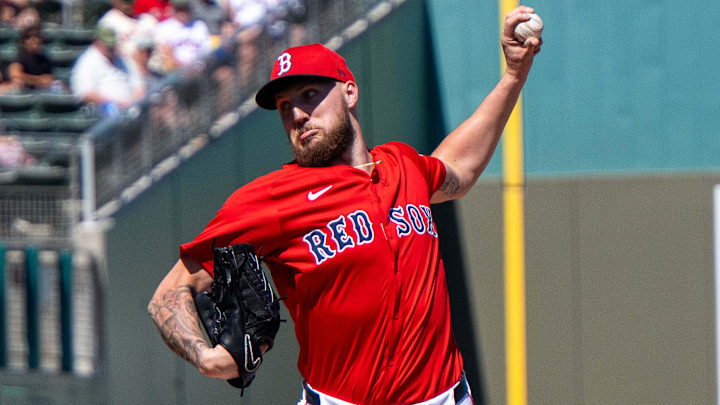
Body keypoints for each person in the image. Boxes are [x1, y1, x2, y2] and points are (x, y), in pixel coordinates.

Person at [148, 5, 541, 405]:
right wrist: (205, 357)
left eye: (310, 94)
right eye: (285, 106)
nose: (298, 114)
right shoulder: (272, 198)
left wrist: (513, 75)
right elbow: (169, 291)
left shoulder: (401, 165)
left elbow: (458, 168)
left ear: (349, 91)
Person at [70, 27, 145, 116]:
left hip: (131, 111)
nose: (111, 48)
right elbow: (84, 93)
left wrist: (133, 102)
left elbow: (139, 84)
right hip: (103, 114)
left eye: (112, 45)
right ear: (96, 42)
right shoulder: (87, 61)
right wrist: (117, 102)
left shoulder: (122, 58)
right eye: (108, 45)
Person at [8, 25, 54, 90]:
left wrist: (28, 78)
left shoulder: (44, 59)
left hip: (39, 91)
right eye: (31, 38)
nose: (36, 40)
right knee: (18, 83)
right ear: (25, 41)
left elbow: (48, 79)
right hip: (23, 91)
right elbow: (16, 76)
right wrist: (39, 80)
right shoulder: (19, 55)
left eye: (38, 37)